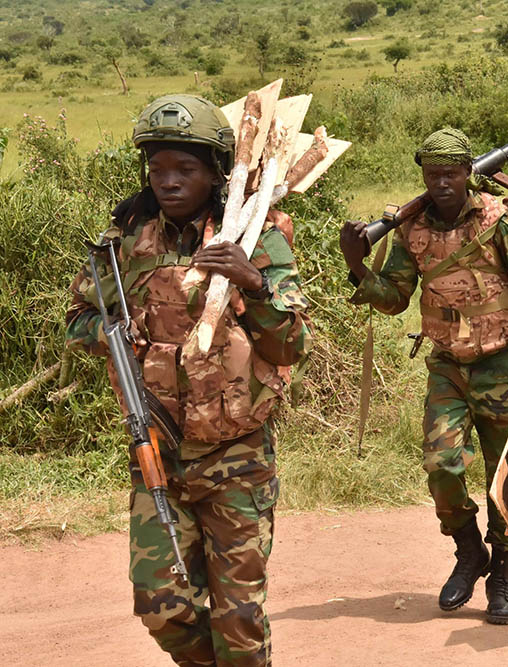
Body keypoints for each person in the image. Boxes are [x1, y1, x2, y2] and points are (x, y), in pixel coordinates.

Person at [66, 94, 313, 666]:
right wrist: (108, 333)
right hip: (157, 449)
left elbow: (291, 344)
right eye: (158, 171)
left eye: (185, 170)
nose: (169, 182)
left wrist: (254, 283)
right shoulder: (126, 241)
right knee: (163, 608)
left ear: (216, 173)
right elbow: (78, 317)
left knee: (239, 622)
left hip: (237, 457)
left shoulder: (255, 238)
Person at [339, 128, 508, 625]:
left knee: (507, 475)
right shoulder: (412, 228)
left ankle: (502, 574)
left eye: (451, 172)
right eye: (431, 174)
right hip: (447, 365)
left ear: (469, 173)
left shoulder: (499, 221)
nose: (441, 182)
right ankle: (469, 551)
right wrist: (358, 267)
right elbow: (395, 297)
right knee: (441, 464)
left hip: (502, 362)